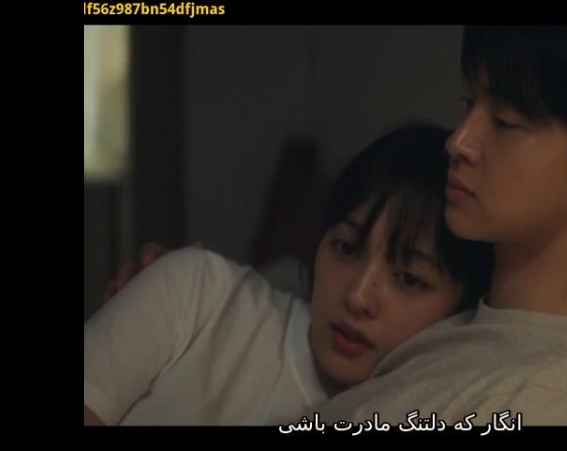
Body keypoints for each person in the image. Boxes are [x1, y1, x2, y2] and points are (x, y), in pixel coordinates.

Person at [306, 26, 567, 426]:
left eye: (505, 121)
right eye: (470, 104)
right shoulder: (472, 326)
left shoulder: (558, 402)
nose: (459, 142)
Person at [83, 122, 493, 425]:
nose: (358, 297)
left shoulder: (439, 408)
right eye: (346, 248)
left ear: (461, 309)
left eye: (409, 279)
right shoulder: (200, 295)